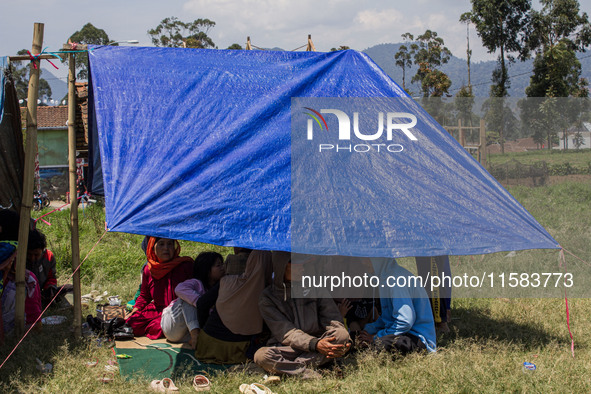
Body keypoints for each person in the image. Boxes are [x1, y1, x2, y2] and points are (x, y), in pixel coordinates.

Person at [254, 252, 351, 378]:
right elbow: (287, 333)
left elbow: (333, 319)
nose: (302, 268)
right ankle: (313, 372)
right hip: (289, 348)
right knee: (261, 356)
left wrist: (341, 340)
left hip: (320, 342)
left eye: (303, 264)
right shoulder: (268, 298)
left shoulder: (315, 287)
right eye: (297, 265)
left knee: (341, 335)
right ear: (282, 267)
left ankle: (290, 369)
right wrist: (314, 344)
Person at [195, 250, 272, 364]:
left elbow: (201, 304)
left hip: (207, 345)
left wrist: (203, 329)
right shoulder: (264, 288)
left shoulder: (226, 281)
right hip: (237, 350)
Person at [358, 258, 436, 355]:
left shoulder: (395, 279)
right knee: (359, 337)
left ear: (379, 260)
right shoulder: (385, 278)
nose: (363, 262)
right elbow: (387, 317)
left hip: (418, 339)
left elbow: (405, 322)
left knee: (382, 343)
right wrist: (367, 330)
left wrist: (375, 337)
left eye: (368, 259)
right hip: (403, 334)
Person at [125, 237, 193, 339]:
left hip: (178, 310)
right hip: (157, 309)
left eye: (170, 244)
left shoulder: (185, 266)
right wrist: (134, 311)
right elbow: (144, 296)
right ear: (152, 247)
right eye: (161, 244)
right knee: (132, 323)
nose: (166, 248)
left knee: (159, 327)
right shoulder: (149, 269)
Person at [160, 251, 224, 348]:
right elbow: (179, 289)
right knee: (187, 300)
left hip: (186, 333)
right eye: (218, 265)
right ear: (206, 270)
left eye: (222, 264)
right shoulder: (196, 283)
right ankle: (195, 336)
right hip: (172, 326)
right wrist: (200, 302)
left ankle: (195, 337)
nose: (223, 268)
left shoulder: (218, 288)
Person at [26, 229, 72, 308]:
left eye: (36, 254)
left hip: (42, 293)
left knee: (70, 288)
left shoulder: (49, 256)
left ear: (43, 249)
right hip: (26, 294)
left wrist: (50, 289)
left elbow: (51, 277)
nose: (32, 258)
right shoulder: (20, 259)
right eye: (29, 254)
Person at [415, 255, 452, 333]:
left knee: (434, 278)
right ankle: (431, 317)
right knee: (425, 276)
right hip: (423, 247)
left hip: (432, 247)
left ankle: (440, 322)